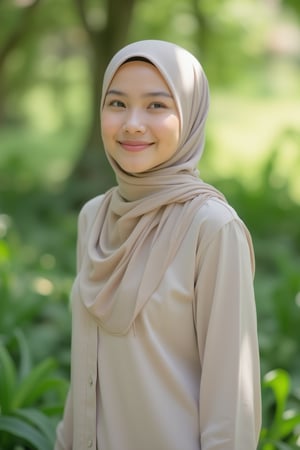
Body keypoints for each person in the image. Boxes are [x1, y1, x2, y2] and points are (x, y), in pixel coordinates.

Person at [54, 40, 261, 450]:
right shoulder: (94, 218)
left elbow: (232, 405)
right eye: (116, 103)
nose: (132, 123)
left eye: (156, 106)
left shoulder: (212, 229)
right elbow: (87, 370)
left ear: (190, 115)